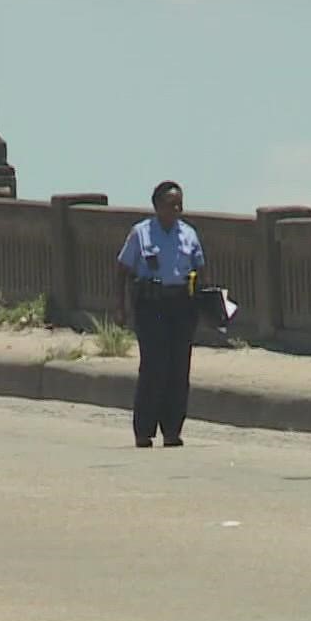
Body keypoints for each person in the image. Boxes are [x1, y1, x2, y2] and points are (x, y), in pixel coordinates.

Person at [116, 180, 207, 448]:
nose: (176, 209)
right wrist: (120, 306)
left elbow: (201, 270)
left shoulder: (189, 234)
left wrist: (206, 304)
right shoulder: (141, 234)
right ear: (157, 206)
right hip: (151, 306)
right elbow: (122, 270)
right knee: (154, 367)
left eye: (180, 204)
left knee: (178, 368)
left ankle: (172, 430)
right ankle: (144, 430)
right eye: (171, 204)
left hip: (181, 306)